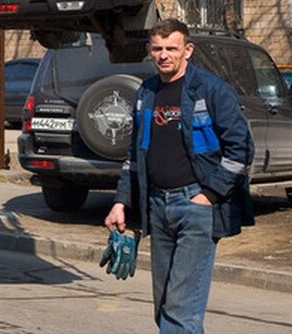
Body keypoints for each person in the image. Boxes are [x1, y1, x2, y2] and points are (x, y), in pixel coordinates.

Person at [104, 19, 254, 333]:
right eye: (157, 48)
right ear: (149, 50)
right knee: (164, 306)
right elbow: (135, 155)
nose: (164, 55)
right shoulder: (146, 92)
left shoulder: (211, 89)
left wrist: (208, 196)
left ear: (188, 50)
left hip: (196, 208)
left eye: (172, 48)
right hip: (157, 208)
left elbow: (240, 148)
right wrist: (121, 202)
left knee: (181, 308)